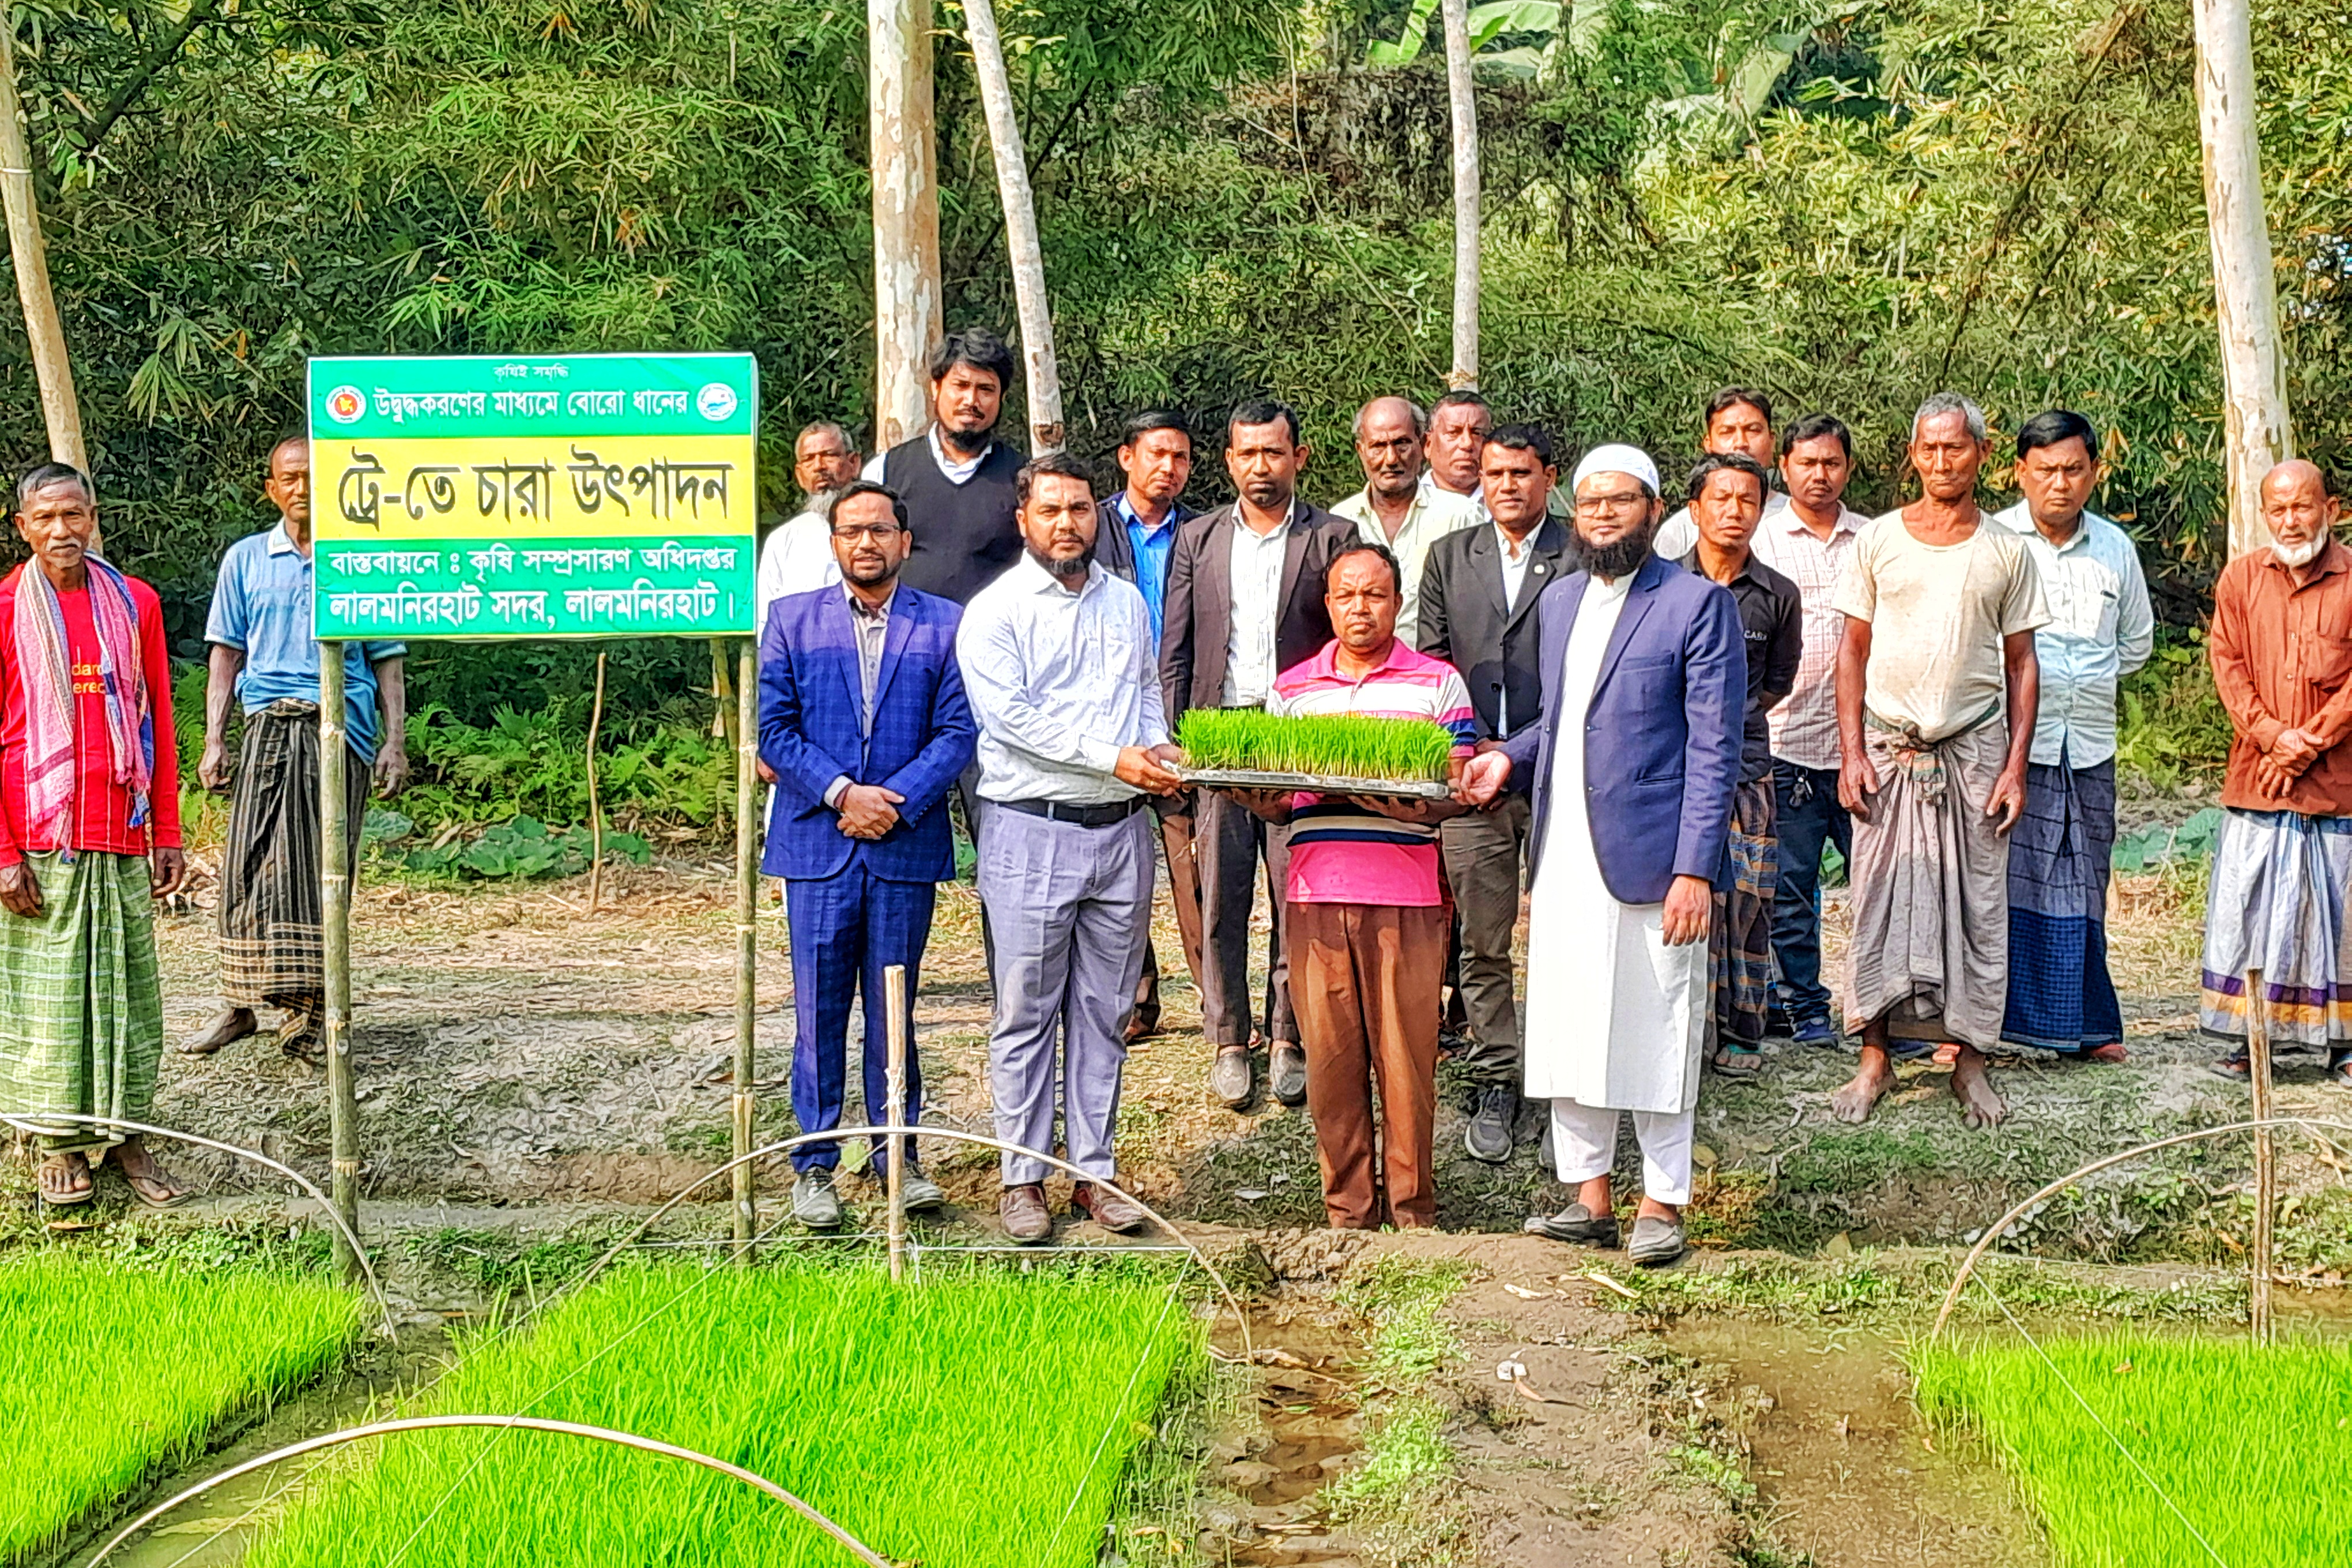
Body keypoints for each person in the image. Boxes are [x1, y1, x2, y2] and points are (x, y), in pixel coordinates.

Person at [1457, 444, 1744, 1269]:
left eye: (1621, 501)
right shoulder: (1561, 601)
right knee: (1570, 1019)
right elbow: (1561, 720)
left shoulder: (1696, 603)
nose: (1604, 515)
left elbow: (1715, 748)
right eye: (1591, 503)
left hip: (1653, 856)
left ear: (1653, 510)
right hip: (1565, 850)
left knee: (1656, 1021)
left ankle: (1661, 1202)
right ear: (1574, 513)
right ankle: (1588, 1198)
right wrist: (1507, 759)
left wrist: (1695, 868)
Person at [959, 453, 1183, 1242]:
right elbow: (1012, 721)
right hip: (1031, 828)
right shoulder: (996, 611)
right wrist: (1114, 757)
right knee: (1026, 1011)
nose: (1067, 524)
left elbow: (1144, 692)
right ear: (1023, 520)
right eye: (1051, 510)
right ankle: (1022, 1177)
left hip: (1121, 832)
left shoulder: (1125, 601)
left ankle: (1095, 1172)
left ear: (1098, 516)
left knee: (1105, 1011)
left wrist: (1157, 748)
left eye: (1080, 509)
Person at [1219, 544, 1478, 1227]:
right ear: (1328, 604)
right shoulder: (1293, 690)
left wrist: (1419, 806)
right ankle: (1348, 1216)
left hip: (1408, 898)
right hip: (1315, 896)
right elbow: (1281, 798)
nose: (1361, 608)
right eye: (1347, 595)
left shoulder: (1438, 684)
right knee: (1332, 1066)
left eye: (1375, 595)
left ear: (1397, 603)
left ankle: (1413, 1216)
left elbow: (1457, 784)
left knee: (1407, 1064)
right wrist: (1254, 796)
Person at [759, 480, 975, 1230]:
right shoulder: (791, 620)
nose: (866, 542)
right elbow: (775, 730)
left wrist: (893, 801)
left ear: (904, 542)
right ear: (833, 543)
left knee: (895, 1010)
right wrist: (843, 793)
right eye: (851, 530)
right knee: (818, 1013)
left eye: (880, 529)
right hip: (818, 846)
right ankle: (814, 1166)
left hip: (902, 847)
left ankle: (897, 1159)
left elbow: (957, 732)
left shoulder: (944, 624)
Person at [1829, 393, 2047, 1128]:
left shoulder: (2006, 550)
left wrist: (2015, 766)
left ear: (1982, 455)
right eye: (1929, 447)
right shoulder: (1879, 540)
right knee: (1877, 898)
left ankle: (1971, 1060)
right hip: (1889, 752)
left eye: (1956, 447)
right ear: (1913, 455)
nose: (1942, 460)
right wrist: (1851, 751)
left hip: (1975, 751)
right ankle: (1875, 1056)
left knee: (1979, 904)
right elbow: (1852, 650)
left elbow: (2023, 663)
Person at [0, 464, 189, 1208]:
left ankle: (129, 1135)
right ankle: (59, 1142)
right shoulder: (6, 607)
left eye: (73, 515)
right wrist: (4, 854)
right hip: (39, 835)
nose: (62, 530)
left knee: (128, 993)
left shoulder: (135, 603)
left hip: (122, 826)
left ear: (93, 518)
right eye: (46, 518)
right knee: (51, 1000)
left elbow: (157, 722)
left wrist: (168, 830)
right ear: (23, 527)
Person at [186, 435, 407, 1062]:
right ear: (272, 489)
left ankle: (311, 1015)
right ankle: (239, 1004)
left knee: (319, 870)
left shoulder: (360, 560)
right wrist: (214, 738)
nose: (302, 488)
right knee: (245, 865)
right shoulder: (246, 559)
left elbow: (388, 661)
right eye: (290, 478)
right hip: (267, 726)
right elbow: (226, 656)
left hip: (340, 731)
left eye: (313, 475)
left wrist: (395, 741)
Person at [1161, 400, 1355, 1109]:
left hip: (1300, 734)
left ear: (1298, 457)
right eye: (1247, 454)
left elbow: (1346, 639)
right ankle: (1228, 1036)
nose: (1260, 466)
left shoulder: (1333, 536)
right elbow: (1176, 645)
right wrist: (1182, 741)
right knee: (1222, 892)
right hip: (1221, 734)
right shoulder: (1199, 537)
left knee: (1294, 892)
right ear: (1229, 460)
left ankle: (1288, 1035)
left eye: (1273, 452)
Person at [1417, 424, 1575, 1161]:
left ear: (1550, 476)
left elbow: (1589, 671)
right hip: (1471, 779)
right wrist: (1470, 748)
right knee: (1483, 941)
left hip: (1561, 772)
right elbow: (1432, 662)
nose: (1506, 485)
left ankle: (1564, 1084)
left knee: (1566, 935)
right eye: (1494, 473)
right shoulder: (1451, 555)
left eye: (1521, 472)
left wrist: (1517, 752)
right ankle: (1496, 1078)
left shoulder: (1580, 553)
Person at [1991, 410, 2153, 1062]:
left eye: (2073, 470)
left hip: (2087, 744)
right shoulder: (1995, 542)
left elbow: (2136, 643)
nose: (2059, 483)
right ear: (2020, 472)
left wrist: (2080, 682)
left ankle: (2090, 1024)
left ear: (2094, 473)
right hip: (2007, 748)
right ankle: (1983, 1024)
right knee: (1999, 881)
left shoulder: (2115, 549)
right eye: (2046, 470)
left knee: (2088, 881)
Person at [2199, 459, 2352, 1083]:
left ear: (2331, 510)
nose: (2291, 521)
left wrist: (2307, 745)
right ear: (2265, 515)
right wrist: (2271, 737)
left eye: (2303, 507)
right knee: (2251, 909)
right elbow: (2228, 666)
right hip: (2257, 777)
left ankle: (2344, 1046)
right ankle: (2250, 1038)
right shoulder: (2240, 579)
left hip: (2337, 783)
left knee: (2341, 917)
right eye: (2279, 509)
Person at [1678, 453, 1801, 1074]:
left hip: (1748, 766)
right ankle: (1683, 1032)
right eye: (1721, 499)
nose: (1734, 511)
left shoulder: (1778, 595)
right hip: (1676, 769)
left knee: (1748, 902)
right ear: (1694, 509)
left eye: (1748, 500)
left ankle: (1744, 1032)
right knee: (1683, 897)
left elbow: (1777, 683)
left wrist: (1731, 722)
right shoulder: (1663, 586)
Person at [1750, 413, 1871, 1047]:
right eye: (1807, 463)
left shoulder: (1874, 539)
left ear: (1848, 468)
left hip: (1866, 747)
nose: (1819, 475)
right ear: (1785, 467)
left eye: (1831, 463)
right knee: (1791, 890)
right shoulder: (1763, 540)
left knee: (1880, 883)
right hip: (1787, 742)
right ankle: (1805, 1009)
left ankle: (1880, 1005)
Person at [1096, 411, 1203, 1042]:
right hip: (1113, 716)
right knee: (1119, 866)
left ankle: (1217, 1001)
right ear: (1127, 457)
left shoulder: (1203, 532)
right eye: (1157, 454)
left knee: (1193, 865)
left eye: (1180, 457)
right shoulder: (1094, 528)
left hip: (1183, 713)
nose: (1169, 467)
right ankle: (1137, 1000)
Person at [865, 329, 1025, 606]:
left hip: (996, 632)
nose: (971, 401)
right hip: (905, 629)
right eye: (960, 385)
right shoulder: (885, 472)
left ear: (1002, 398)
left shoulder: (1025, 479)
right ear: (935, 389)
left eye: (985, 389)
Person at [1330, 396, 1479, 644]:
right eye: (1378, 446)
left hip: (1437, 664)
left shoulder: (1461, 516)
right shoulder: (1339, 522)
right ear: (1361, 451)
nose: (1391, 459)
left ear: (1423, 445)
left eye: (1402, 444)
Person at [1656, 387, 1787, 559]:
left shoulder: (1799, 518)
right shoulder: (1680, 531)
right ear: (1708, 444)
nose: (1741, 443)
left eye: (1753, 430)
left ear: (1772, 441)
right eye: (1727, 432)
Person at [755, 420, 862, 626]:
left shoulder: (878, 530)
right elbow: (766, 622)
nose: (819, 466)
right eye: (809, 459)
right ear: (799, 474)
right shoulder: (782, 540)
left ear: (854, 463)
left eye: (829, 455)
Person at [1421, 390, 1492, 512]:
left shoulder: (1507, 503)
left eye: (1477, 433)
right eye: (1454, 432)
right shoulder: (1405, 503)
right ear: (1428, 444)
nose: (1467, 443)